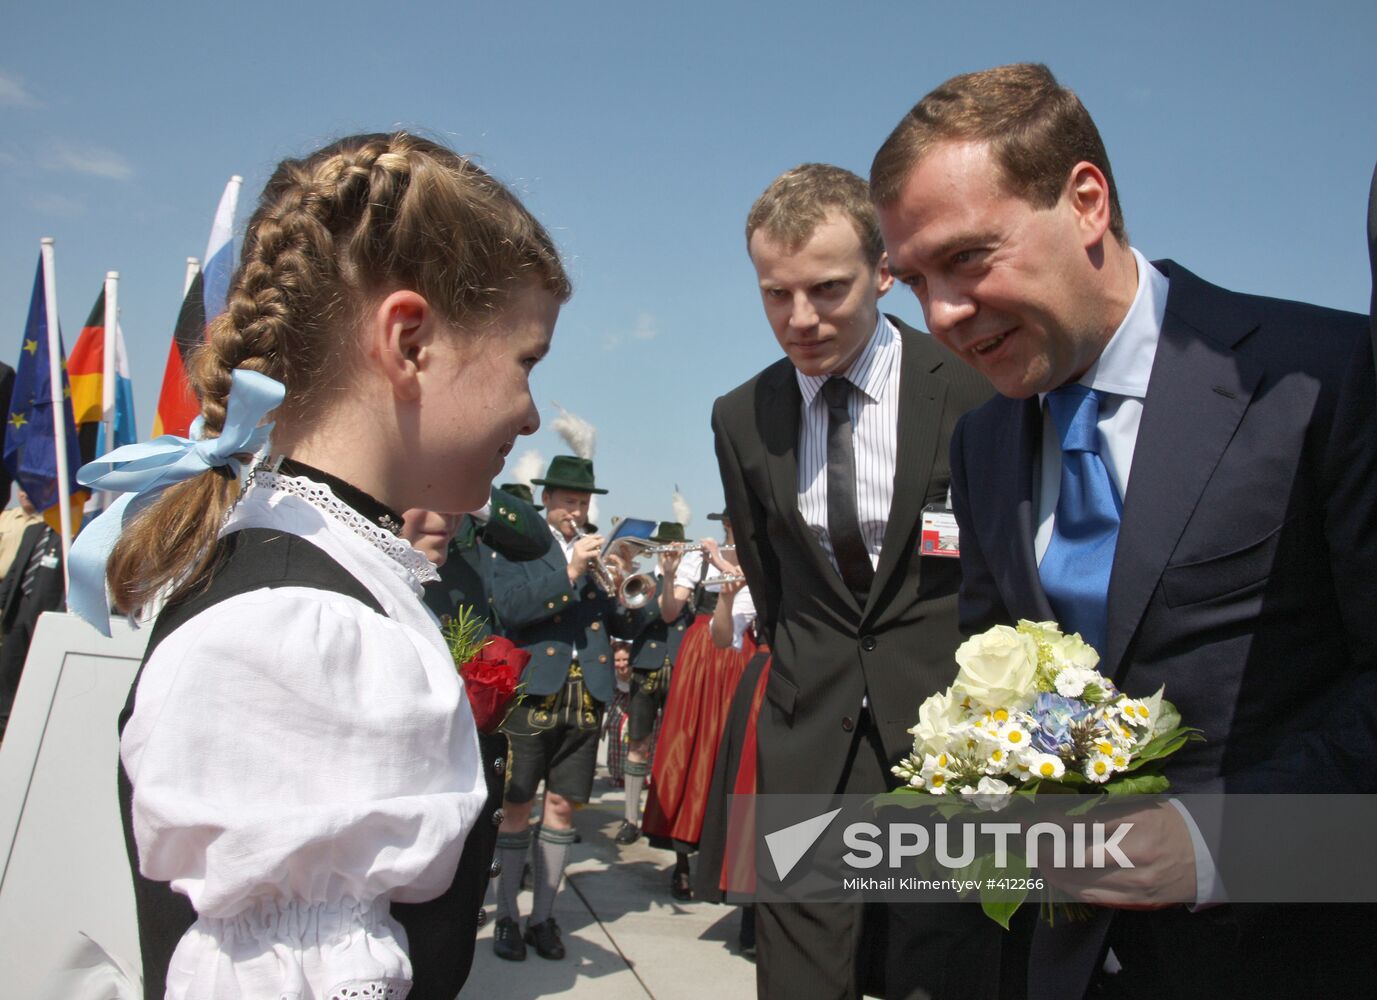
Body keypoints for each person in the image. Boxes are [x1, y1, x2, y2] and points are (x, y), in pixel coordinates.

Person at [870, 62, 1377, 999]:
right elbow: (992, 670)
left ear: (1086, 201)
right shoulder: (983, 441)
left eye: (968, 258)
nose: (939, 314)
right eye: (912, 281)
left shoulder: (1326, 379)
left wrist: (1216, 843)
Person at [70, 131, 570, 1000]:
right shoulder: (300, 636)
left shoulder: (312, 575)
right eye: (526, 363)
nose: (530, 416)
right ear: (409, 341)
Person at [711, 162, 996, 999]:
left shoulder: (970, 387)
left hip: (946, 739)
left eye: (827, 289)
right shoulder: (740, 416)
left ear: (883, 273)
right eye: (775, 294)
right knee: (799, 973)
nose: (799, 319)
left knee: (938, 967)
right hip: (809, 737)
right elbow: (773, 578)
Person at [486, 454, 646, 962]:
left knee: (561, 807)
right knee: (516, 805)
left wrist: (621, 583)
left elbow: (625, 627)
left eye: (582, 502)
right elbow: (511, 609)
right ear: (547, 500)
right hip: (535, 689)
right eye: (567, 501)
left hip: (589, 692)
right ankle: (507, 915)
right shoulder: (518, 547)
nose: (575, 511)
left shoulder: (597, 551)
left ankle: (543, 917)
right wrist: (573, 569)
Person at [614, 520, 694, 851]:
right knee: (638, 743)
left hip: (679, 669)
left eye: (676, 546)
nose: (671, 552)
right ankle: (631, 817)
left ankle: (666, 816)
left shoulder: (692, 582)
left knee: (675, 747)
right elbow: (626, 620)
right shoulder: (645, 582)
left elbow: (677, 615)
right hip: (646, 669)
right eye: (665, 546)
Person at [0, 491, 63, 740]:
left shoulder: (69, 535)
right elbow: (14, 575)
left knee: (35, 675)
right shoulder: (33, 532)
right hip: (17, 613)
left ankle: (24, 729)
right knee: (7, 670)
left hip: (44, 618)